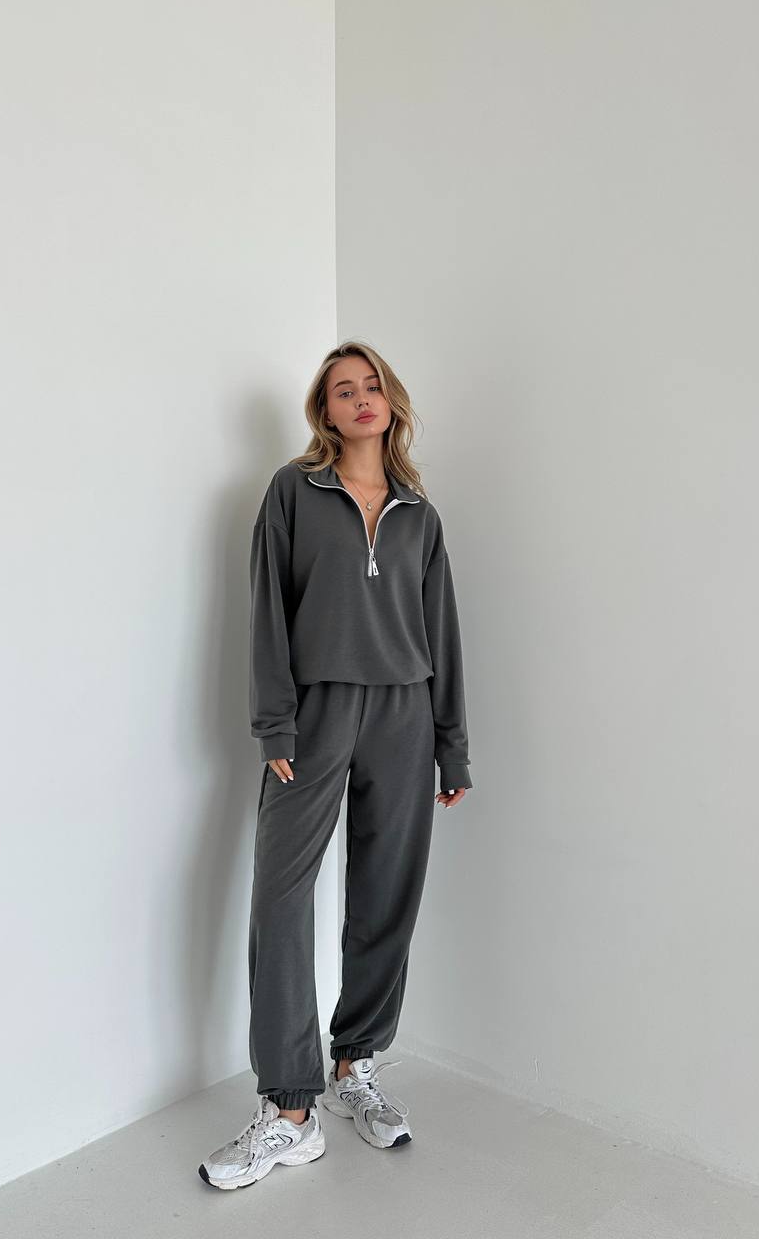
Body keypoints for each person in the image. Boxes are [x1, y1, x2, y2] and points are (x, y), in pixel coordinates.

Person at [198, 339, 472, 1190]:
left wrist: (451, 743)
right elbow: (267, 610)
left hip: (405, 713)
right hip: (316, 713)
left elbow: (442, 632)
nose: (360, 398)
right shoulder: (293, 491)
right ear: (324, 411)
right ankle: (290, 1110)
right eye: (343, 390)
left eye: (372, 385)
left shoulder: (419, 514)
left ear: (391, 402)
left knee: (386, 893)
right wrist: (274, 724)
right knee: (281, 896)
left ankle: (356, 1065)